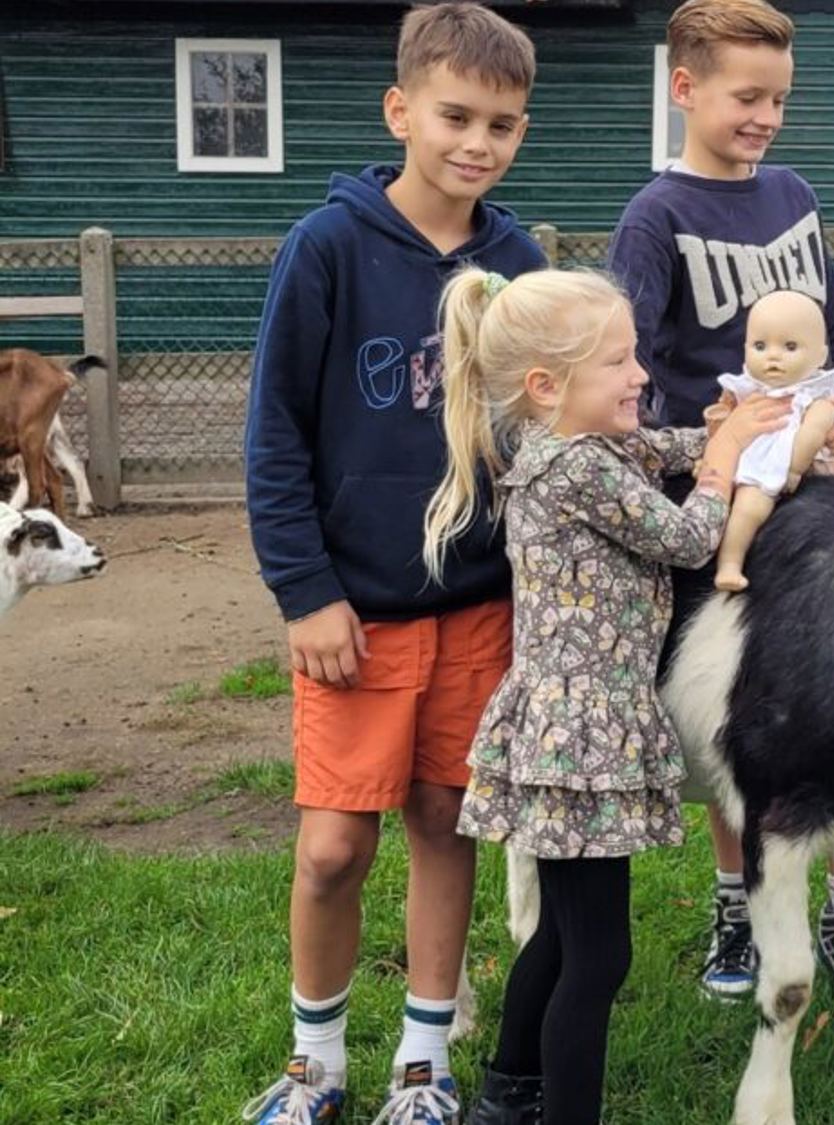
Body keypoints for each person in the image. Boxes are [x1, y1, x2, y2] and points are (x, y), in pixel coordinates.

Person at [240, 6, 543, 1123]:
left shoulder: (518, 263)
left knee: (442, 821)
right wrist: (304, 591)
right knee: (330, 849)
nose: (478, 142)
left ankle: (426, 1064)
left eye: (503, 124)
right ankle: (313, 1061)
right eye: (456, 116)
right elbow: (274, 434)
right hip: (355, 616)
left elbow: (539, 431)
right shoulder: (325, 247)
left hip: (478, 607)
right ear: (400, 110)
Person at [422, 265, 784, 1125]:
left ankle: (509, 1092)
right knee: (599, 957)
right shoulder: (576, 469)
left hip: (571, 730)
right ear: (547, 387)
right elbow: (690, 538)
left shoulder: (585, 446)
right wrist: (730, 461)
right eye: (619, 364)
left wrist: (721, 430)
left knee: (558, 934)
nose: (640, 376)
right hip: (582, 738)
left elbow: (665, 447)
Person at [605, 0, 834, 1010]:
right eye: (745, 97)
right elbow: (624, 357)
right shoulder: (655, 216)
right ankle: (737, 902)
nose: (765, 117)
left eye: (778, 100)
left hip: (825, 503)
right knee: (744, 719)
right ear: (685, 89)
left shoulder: (794, 196)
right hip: (720, 505)